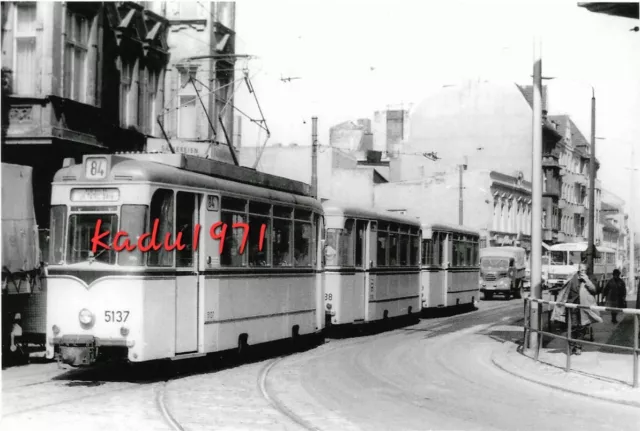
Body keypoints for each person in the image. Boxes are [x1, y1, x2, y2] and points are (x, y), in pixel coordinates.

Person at [551, 263, 602, 355]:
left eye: (584, 270)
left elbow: (594, 290)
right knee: (573, 326)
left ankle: (578, 346)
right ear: (578, 270)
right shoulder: (573, 277)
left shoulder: (590, 278)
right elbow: (565, 289)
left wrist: (587, 280)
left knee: (582, 327)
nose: (582, 272)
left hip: (584, 308)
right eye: (581, 270)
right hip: (572, 306)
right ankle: (572, 345)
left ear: (587, 270)